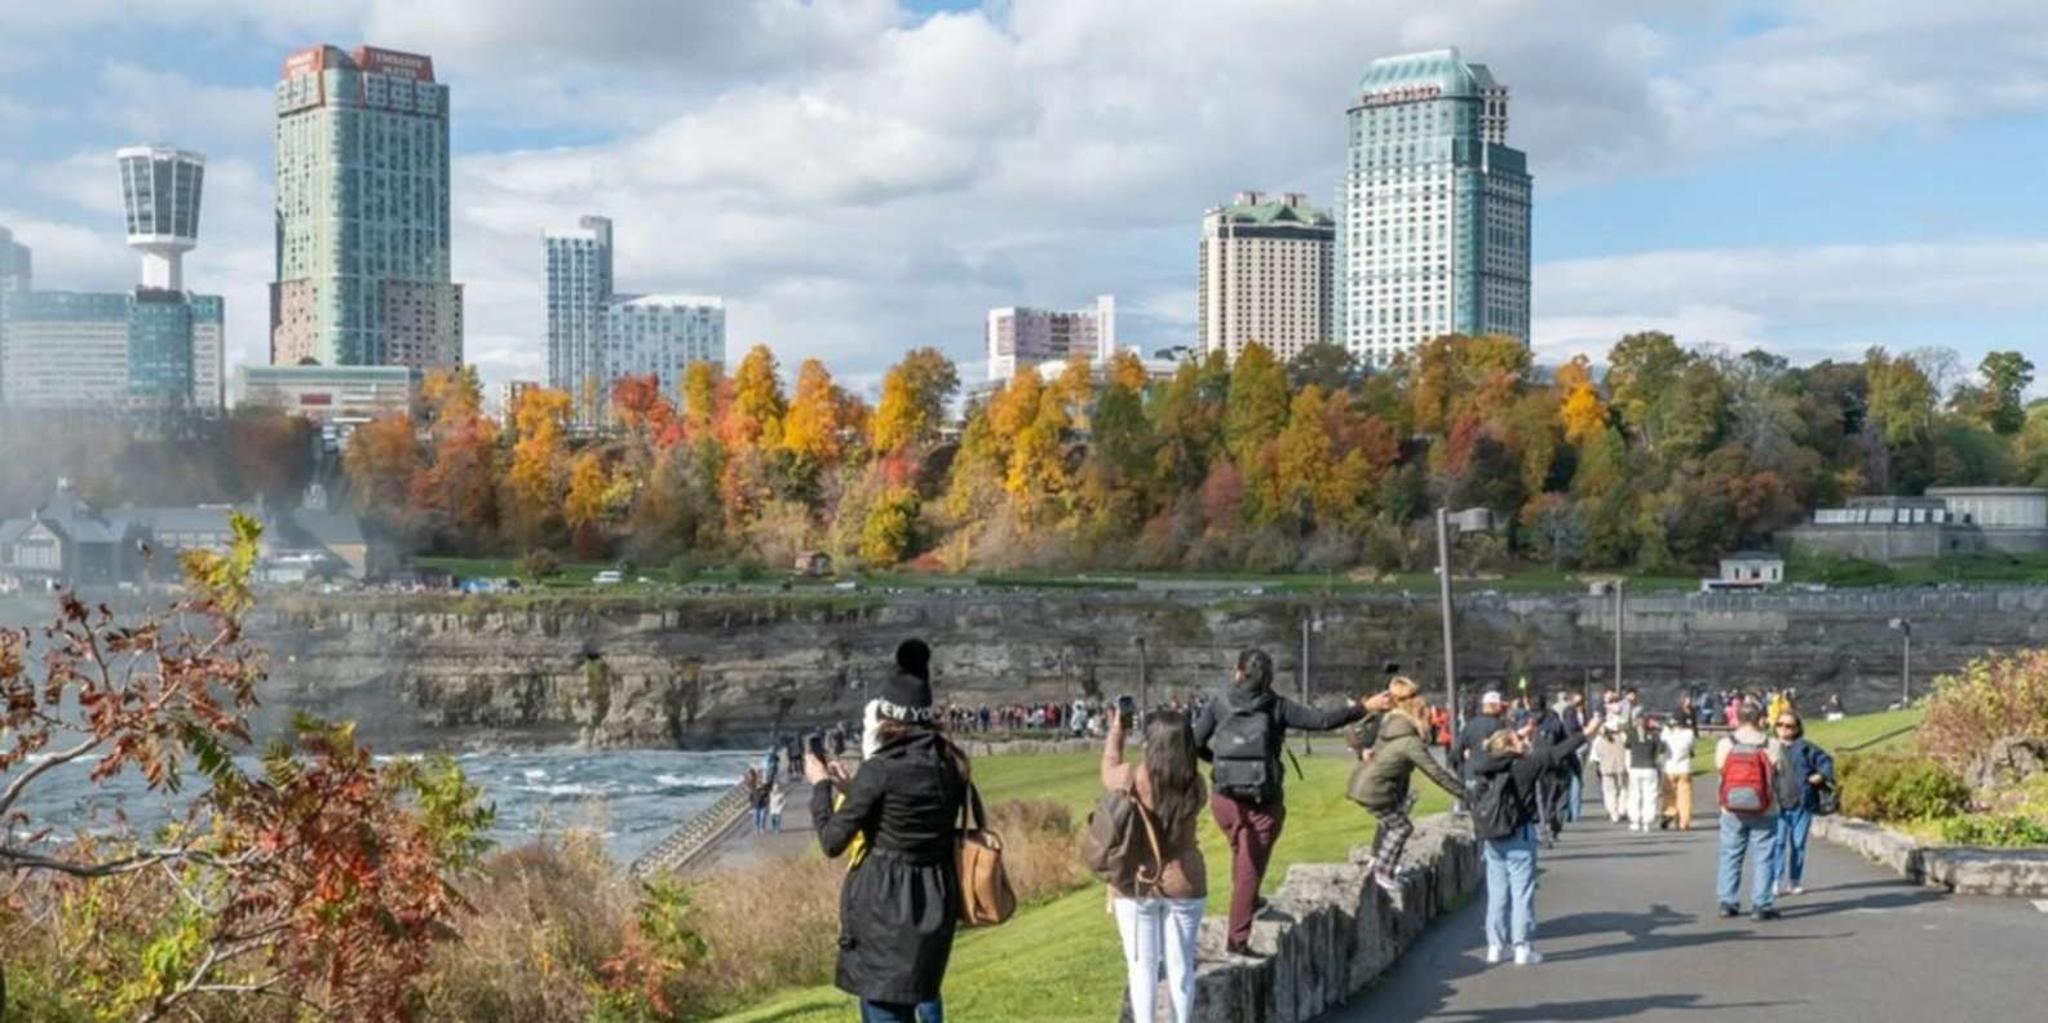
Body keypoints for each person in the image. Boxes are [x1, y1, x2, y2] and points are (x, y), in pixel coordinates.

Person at [806, 639, 966, 1022]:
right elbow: (906, 814)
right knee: (920, 1002)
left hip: (885, 911)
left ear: (887, 718)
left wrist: (819, 787)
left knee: (884, 1011)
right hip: (934, 905)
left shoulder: (881, 770)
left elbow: (832, 841)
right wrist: (853, 790)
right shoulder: (952, 767)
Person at [1193, 648, 1368, 957]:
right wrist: (1363, 708)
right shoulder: (1276, 705)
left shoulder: (1218, 701)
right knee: (1250, 865)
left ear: (1238, 671)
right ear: (1268, 677)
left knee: (1241, 850)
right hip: (1262, 799)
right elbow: (1323, 720)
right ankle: (1237, 939)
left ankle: (1250, 901)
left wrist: (1218, 763)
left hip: (1224, 798)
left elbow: (1194, 743)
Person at [1470, 710, 1603, 965]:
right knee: (1522, 893)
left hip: (1493, 837)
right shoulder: (1526, 765)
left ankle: (1495, 946)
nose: (1525, 744)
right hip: (1519, 832)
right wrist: (1587, 732)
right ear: (1512, 746)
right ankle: (1522, 946)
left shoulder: (1485, 766)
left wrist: (1513, 736)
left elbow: (1493, 748)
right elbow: (1558, 752)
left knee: (1497, 893)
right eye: (1520, 741)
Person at [1102, 706, 1207, 1023]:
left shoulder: (1132, 779)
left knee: (1142, 968)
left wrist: (1117, 731)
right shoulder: (1195, 784)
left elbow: (1108, 769)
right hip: (1186, 881)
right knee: (1181, 968)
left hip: (1139, 880)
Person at [1351, 677, 1468, 894]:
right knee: (1401, 826)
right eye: (1425, 714)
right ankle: (1382, 871)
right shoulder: (1408, 740)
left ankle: (1381, 861)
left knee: (1393, 818)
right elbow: (1435, 772)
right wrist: (1465, 794)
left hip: (1367, 785)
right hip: (1373, 789)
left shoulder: (1391, 723)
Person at [1714, 702, 1786, 921]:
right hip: (1765, 807)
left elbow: (1720, 768)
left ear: (1737, 718)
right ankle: (1761, 904)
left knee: (1730, 853)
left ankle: (1728, 902)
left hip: (1731, 808)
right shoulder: (1771, 744)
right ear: (1760, 719)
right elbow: (1779, 771)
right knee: (1763, 855)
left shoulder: (1726, 743)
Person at [1769, 712, 1835, 896]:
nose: (1783, 729)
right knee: (1778, 843)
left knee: (1798, 844)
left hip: (1802, 803)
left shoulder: (1806, 748)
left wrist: (1820, 775)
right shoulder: (1770, 747)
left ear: (1797, 728)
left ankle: (1794, 880)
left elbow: (1826, 762)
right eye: (1780, 725)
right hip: (1777, 803)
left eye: (1788, 726)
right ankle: (1775, 880)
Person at [1624, 714, 1663, 832]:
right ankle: (1647, 821)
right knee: (1650, 795)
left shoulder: (1631, 734)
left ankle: (1635, 821)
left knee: (1634, 795)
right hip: (1650, 767)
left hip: (1635, 767)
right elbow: (1661, 750)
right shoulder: (1654, 735)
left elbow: (1627, 748)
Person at [1661, 710, 1698, 830]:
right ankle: (1683, 822)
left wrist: (1667, 728)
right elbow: (1692, 747)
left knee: (1669, 793)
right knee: (1685, 797)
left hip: (1669, 768)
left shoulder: (1667, 734)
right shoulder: (1689, 734)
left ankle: (1669, 812)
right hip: (1684, 768)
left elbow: (1662, 743)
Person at [1592, 719, 1630, 824]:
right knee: (1623, 788)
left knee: (1609, 791)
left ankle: (1613, 813)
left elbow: (1596, 755)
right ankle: (1622, 809)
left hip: (1606, 767)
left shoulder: (1600, 740)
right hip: (1621, 767)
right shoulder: (1623, 737)